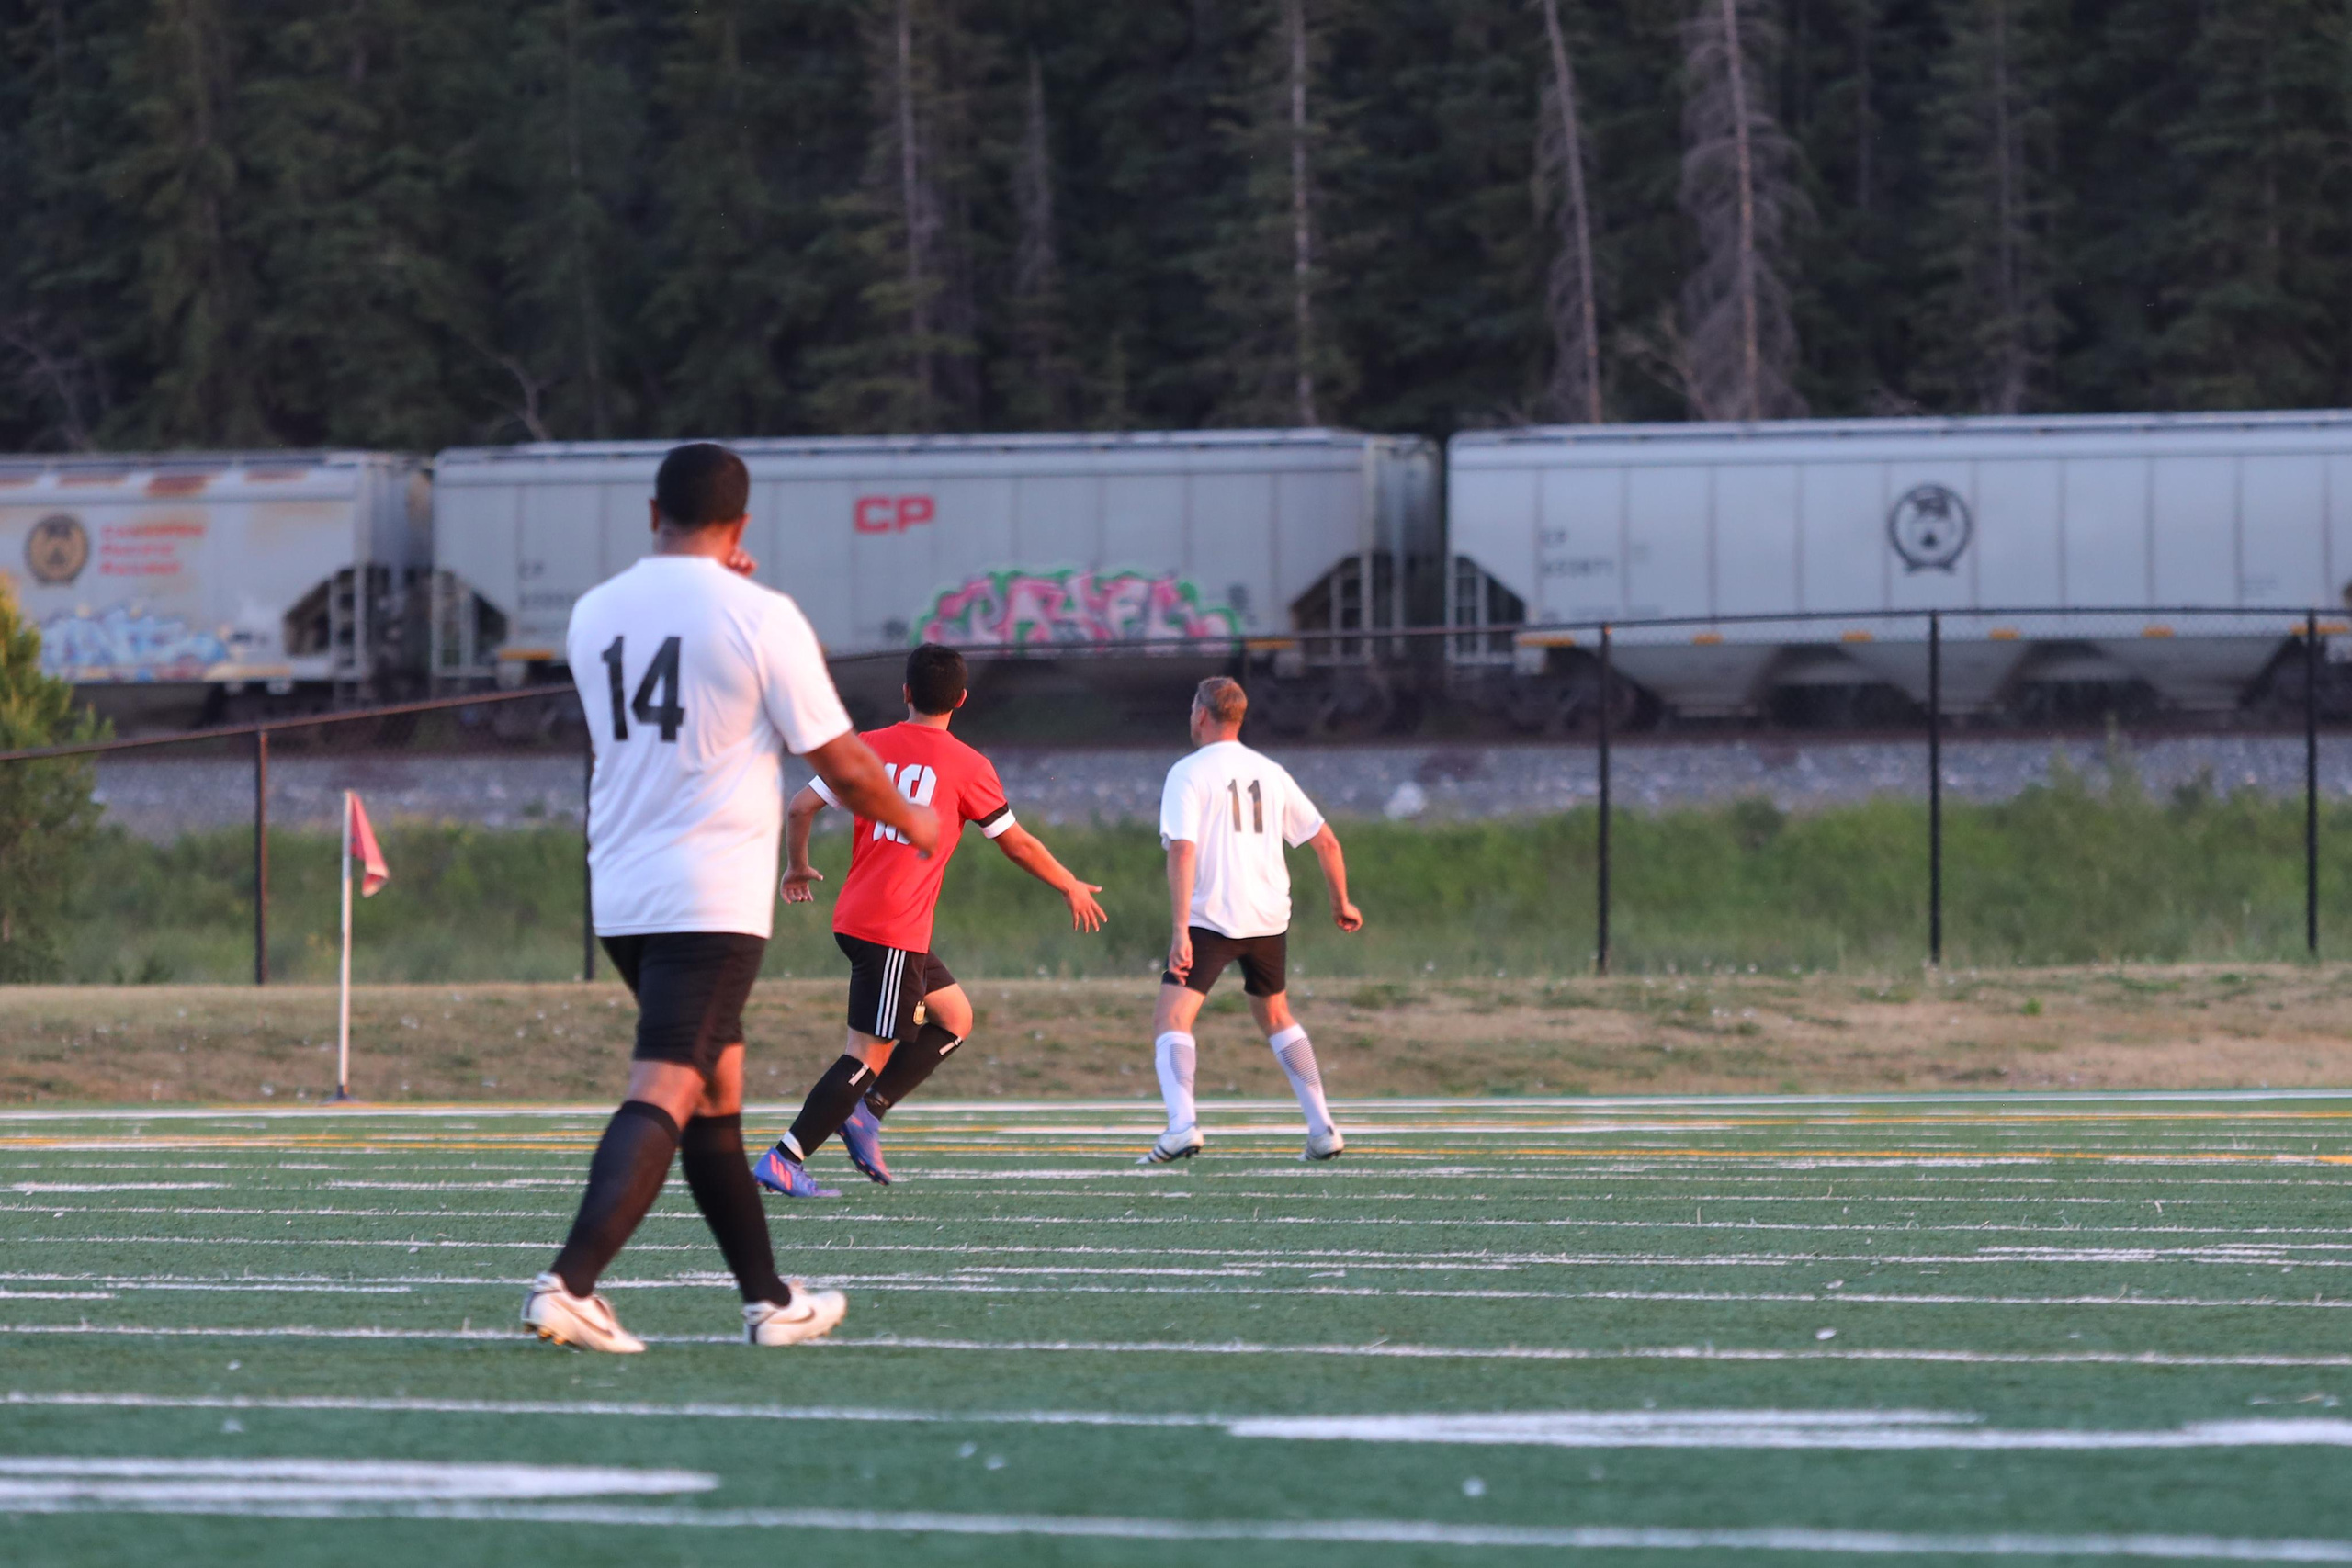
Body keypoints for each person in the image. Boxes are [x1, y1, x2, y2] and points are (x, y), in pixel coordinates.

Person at [521, 442, 940, 1354]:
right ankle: (570, 1282)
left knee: (717, 1092)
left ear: (650, 514)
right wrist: (914, 819)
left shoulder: (594, 612)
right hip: (706, 892)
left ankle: (769, 1300)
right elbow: (836, 755)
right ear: (742, 525)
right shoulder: (761, 614)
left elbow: (679, 671)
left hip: (622, 888)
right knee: (669, 1082)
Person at [754, 642, 1106, 1196]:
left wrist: (798, 868)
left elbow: (799, 806)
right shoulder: (969, 766)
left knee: (956, 1018)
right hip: (890, 929)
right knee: (866, 1055)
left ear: (905, 692)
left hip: (860, 918)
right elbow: (1016, 845)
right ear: (962, 699)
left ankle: (867, 1111)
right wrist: (1069, 884)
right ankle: (786, 1157)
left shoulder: (867, 746)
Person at [1141, 676, 1362, 1165]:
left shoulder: (1188, 772)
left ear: (1202, 714)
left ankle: (1182, 1126)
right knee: (1276, 1014)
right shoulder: (1271, 771)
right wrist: (1341, 902)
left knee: (1171, 1018)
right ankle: (1322, 1126)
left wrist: (1180, 930)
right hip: (1267, 917)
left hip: (1211, 917)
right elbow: (1326, 842)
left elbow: (1182, 849)